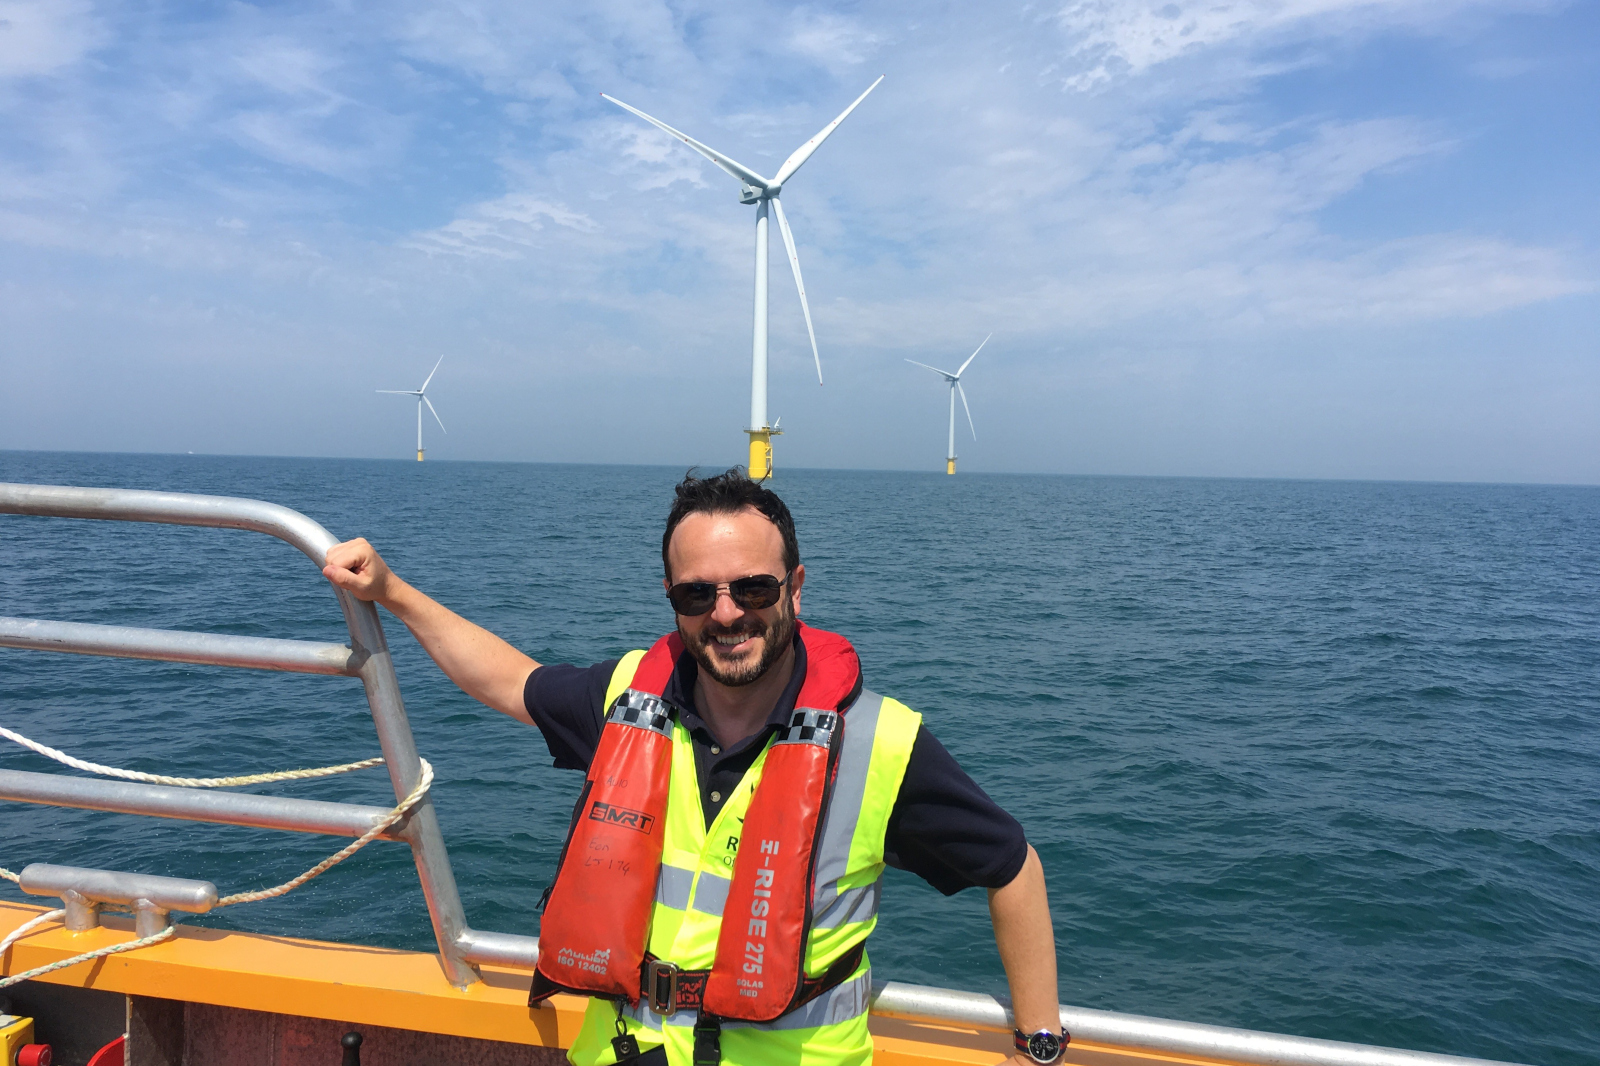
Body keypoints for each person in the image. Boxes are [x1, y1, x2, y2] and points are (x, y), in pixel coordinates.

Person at [322, 469, 1064, 1066]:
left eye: (754, 588)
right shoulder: (625, 700)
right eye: (696, 593)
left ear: (796, 589)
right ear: (671, 600)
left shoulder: (880, 743)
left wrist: (1038, 1044)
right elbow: (509, 680)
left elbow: (1011, 867)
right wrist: (392, 591)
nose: (727, 613)